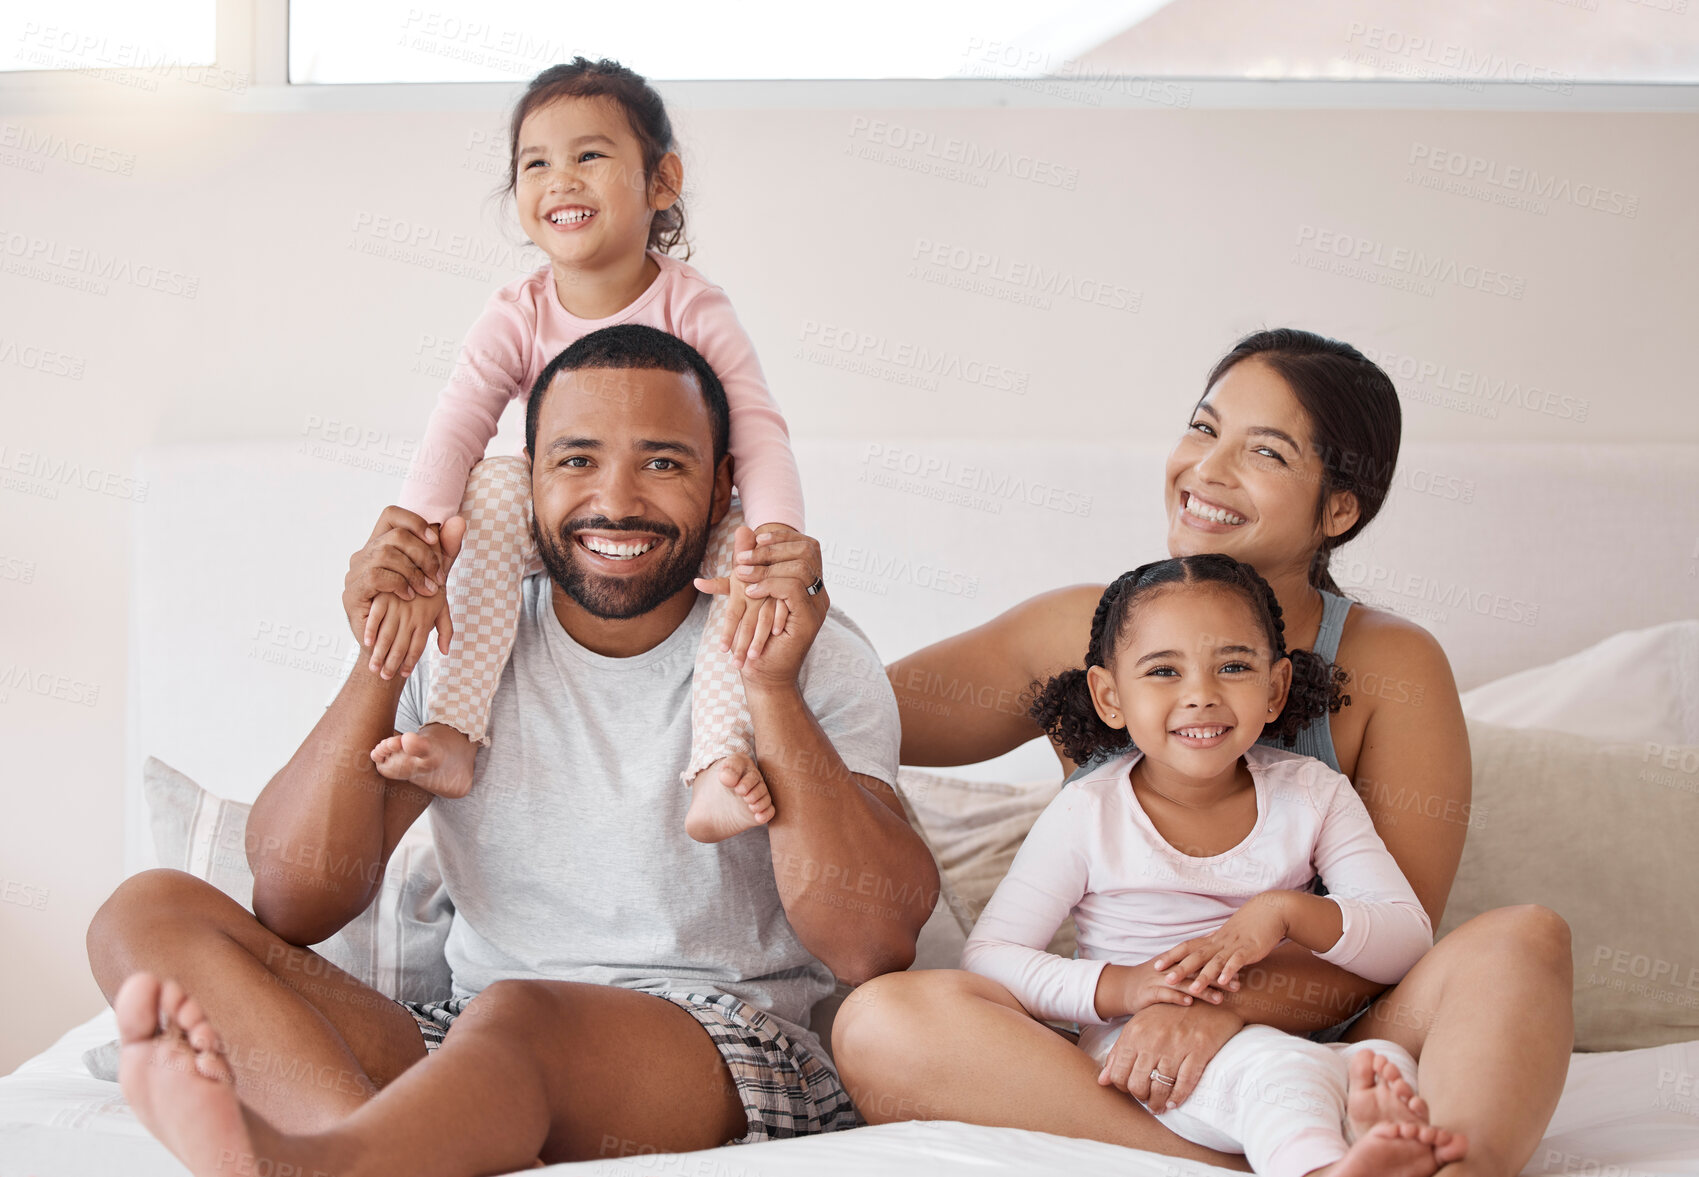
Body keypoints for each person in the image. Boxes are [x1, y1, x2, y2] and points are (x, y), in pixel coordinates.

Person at [88, 325, 938, 1176]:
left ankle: (344, 1160)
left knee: (524, 1016)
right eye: (575, 460)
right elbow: (294, 900)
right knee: (146, 913)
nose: (616, 499)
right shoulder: (468, 639)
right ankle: (350, 1151)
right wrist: (382, 648)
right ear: (521, 480)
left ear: (724, 489)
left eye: (663, 462)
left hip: (726, 1046)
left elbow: (871, 944)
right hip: (473, 1035)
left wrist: (774, 690)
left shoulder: (808, 647)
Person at [831, 329, 1572, 1177]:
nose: (1206, 470)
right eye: (1202, 427)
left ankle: (1455, 1166)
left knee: (1528, 938)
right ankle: (1224, 1166)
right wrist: (765, 629)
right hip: (1137, 1060)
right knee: (878, 1020)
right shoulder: (1074, 631)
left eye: (1264, 451)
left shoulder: (1394, 666)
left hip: (1342, 1035)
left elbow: (1398, 935)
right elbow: (853, 716)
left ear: (1338, 509)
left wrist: (1214, 1008)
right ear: (1111, 690)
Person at [358, 57, 805, 842]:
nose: (560, 179)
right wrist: (416, 544)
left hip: (674, 532)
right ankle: (457, 732)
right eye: (535, 164)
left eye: (588, 156)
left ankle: (713, 771)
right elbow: (456, 423)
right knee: (495, 484)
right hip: (562, 527)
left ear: (660, 180)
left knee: (743, 559)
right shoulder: (516, 313)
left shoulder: (692, 305)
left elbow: (757, 427)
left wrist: (776, 541)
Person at [966, 554, 1466, 1177]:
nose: (1201, 695)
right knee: (1277, 1075)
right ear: (1110, 697)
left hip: (1292, 1032)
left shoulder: (1312, 792)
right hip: (1143, 1049)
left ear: (1276, 688)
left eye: (1233, 667)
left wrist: (1285, 913)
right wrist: (1124, 986)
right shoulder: (1088, 812)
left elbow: (1406, 937)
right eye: (1163, 671)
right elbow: (988, 956)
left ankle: (1363, 1131)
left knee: (1351, 1065)